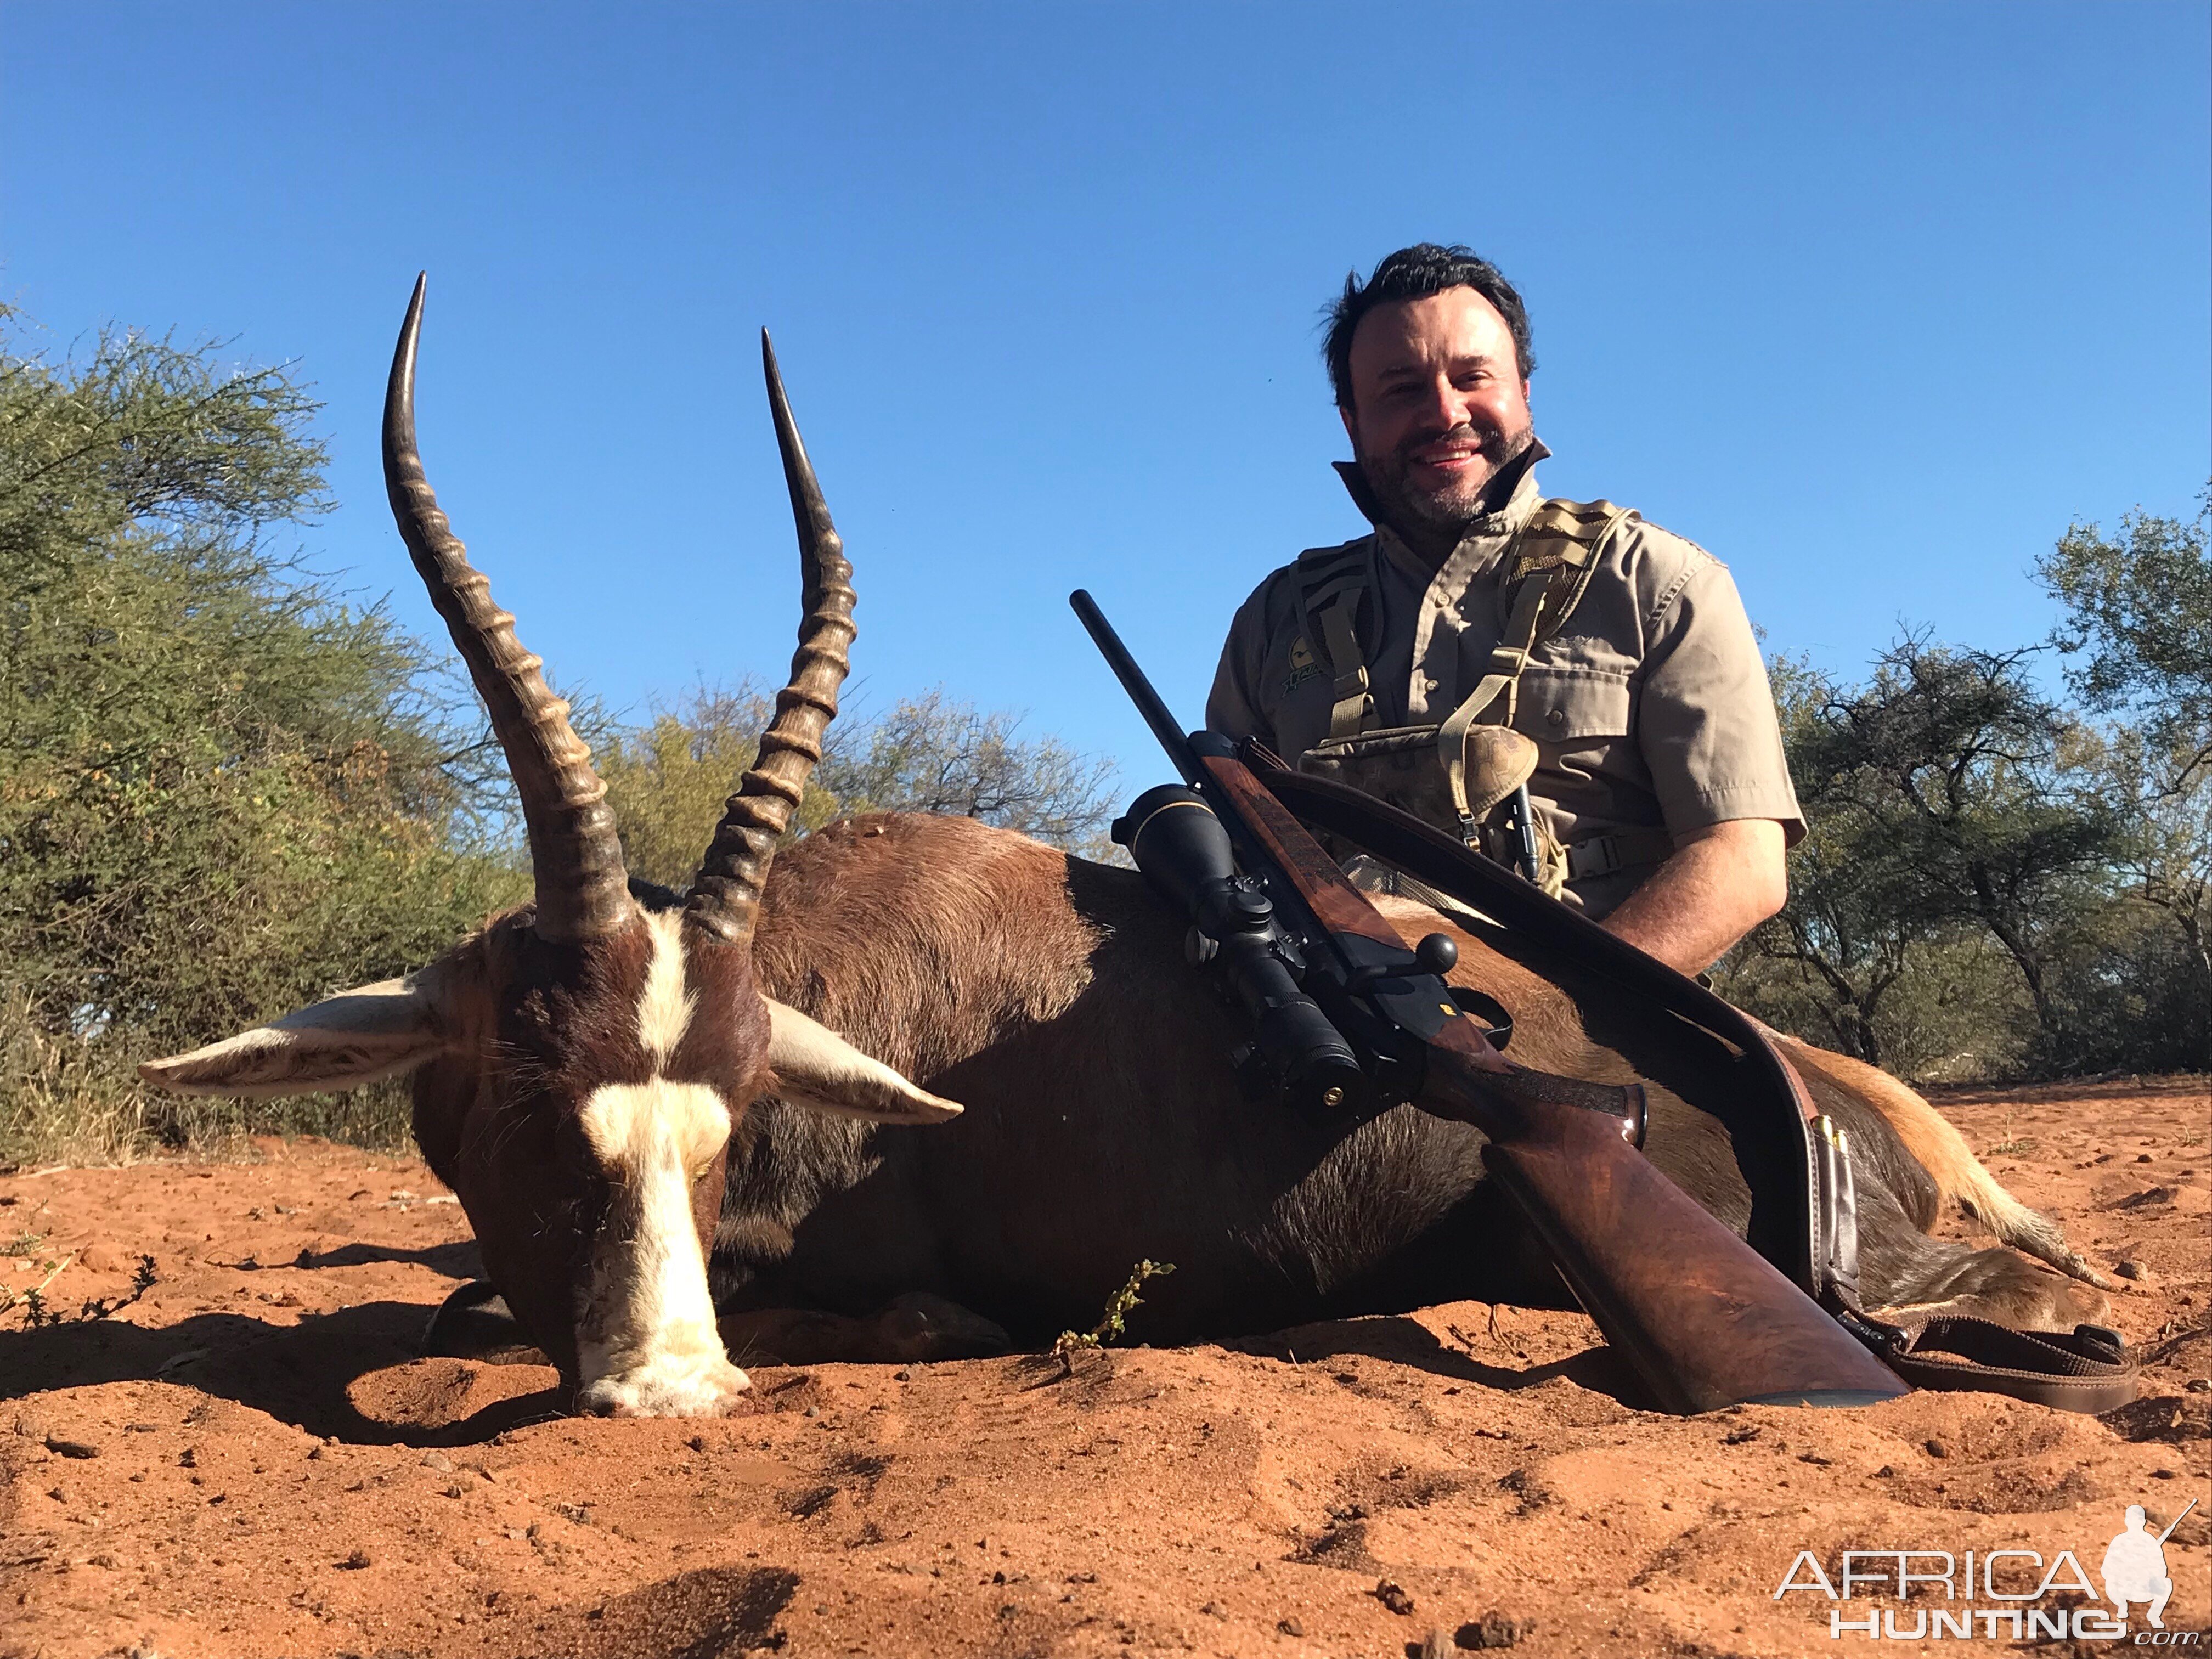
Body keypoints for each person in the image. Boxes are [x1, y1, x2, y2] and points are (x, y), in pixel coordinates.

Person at [1207, 244, 1801, 976]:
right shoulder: (1276, 619)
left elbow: (1742, 861)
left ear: (1523, 389)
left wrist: (1560, 1030)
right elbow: (1225, 855)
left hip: (1609, 1052)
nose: (1444, 412)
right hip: (1334, 1049)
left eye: (1472, 377)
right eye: (1401, 390)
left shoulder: (1661, 581)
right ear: (1352, 422)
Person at [2100, 1505, 2174, 1628]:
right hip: (2122, 1588)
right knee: (2112, 1582)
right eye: (2131, 1520)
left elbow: (2162, 1570)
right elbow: (2106, 1569)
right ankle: (2122, 1607)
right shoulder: (2119, 1541)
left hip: (2144, 1588)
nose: (2134, 1524)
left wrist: (2146, 1570)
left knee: (2166, 1583)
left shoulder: (2150, 1542)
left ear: (2143, 1522)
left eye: (2138, 1520)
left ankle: (2154, 1615)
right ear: (2126, 1522)